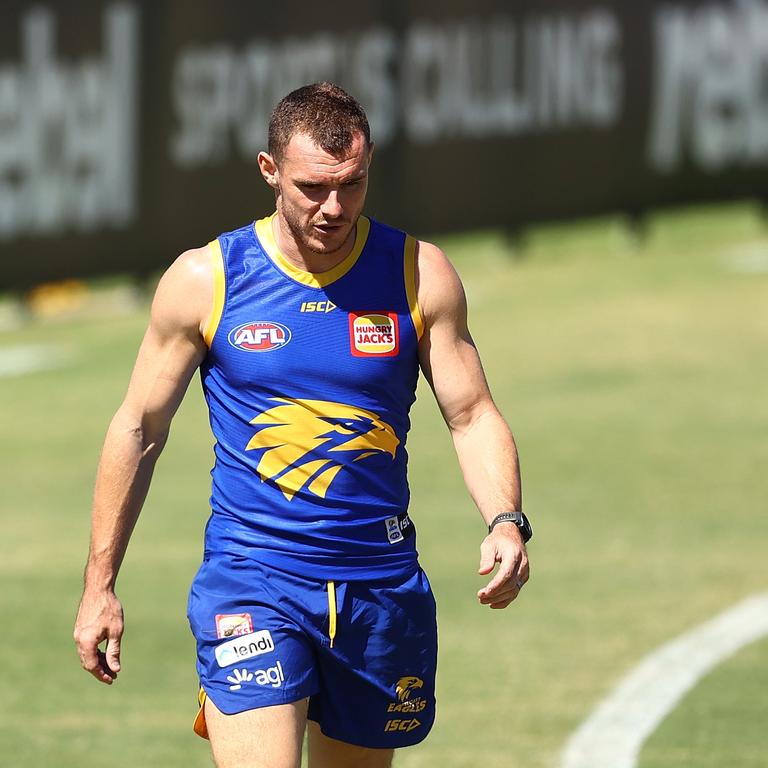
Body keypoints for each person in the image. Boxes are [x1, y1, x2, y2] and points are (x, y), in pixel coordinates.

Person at [73, 82, 531, 768]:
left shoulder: (417, 273)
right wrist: (100, 584)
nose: (335, 207)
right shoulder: (208, 279)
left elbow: (470, 415)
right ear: (269, 171)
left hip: (378, 587)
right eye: (314, 187)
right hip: (253, 580)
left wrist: (505, 520)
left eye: (353, 183)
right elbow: (139, 429)